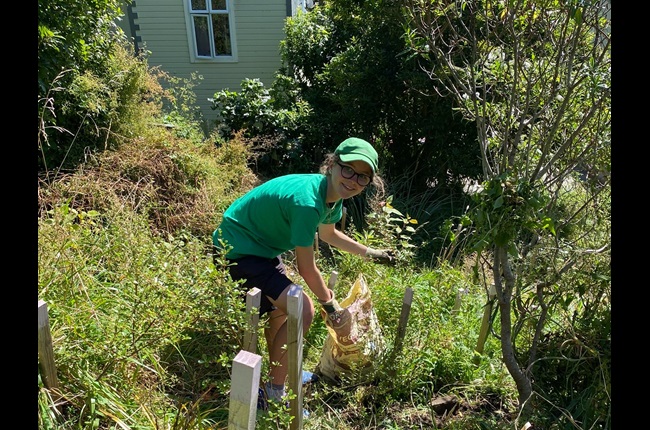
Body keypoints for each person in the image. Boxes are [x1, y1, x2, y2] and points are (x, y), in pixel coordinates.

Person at [212, 137, 394, 409]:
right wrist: (332, 307)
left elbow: (330, 234)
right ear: (332, 165)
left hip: (259, 249)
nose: (353, 180)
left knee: (284, 311)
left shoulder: (331, 197)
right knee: (304, 309)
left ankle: (276, 378)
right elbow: (306, 268)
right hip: (237, 249)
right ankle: (274, 393)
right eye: (348, 170)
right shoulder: (308, 203)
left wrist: (371, 252)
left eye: (362, 177)